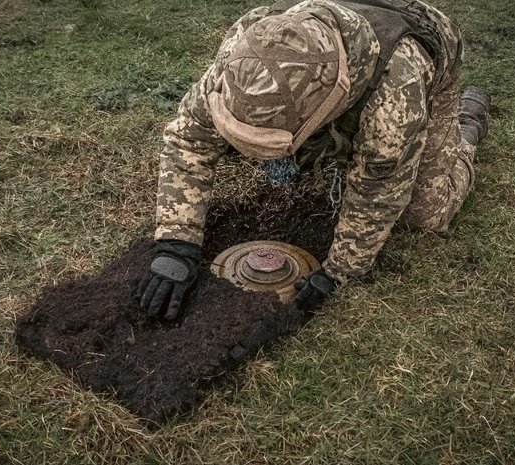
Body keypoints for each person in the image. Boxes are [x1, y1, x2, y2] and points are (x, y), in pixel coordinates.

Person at [136, 0, 491, 319]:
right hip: (338, 39)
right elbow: (189, 138)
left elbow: (378, 195)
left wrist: (338, 272)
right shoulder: (244, 53)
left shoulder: (395, 100)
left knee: (426, 214)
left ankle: (466, 127)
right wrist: (176, 243)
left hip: (425, 40)